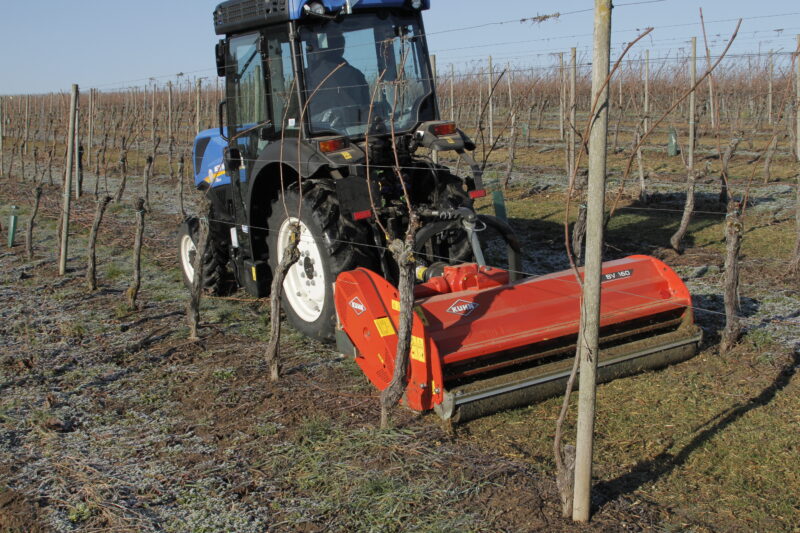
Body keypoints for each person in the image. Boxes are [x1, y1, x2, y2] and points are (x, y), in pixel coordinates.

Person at [304, 28, 371, 129]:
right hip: (358, 134)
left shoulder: (305, 77)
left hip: (320, 136)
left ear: (317, 48)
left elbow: (291, 119)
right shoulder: (357, 76)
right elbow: (367, 111)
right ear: (342, 48)